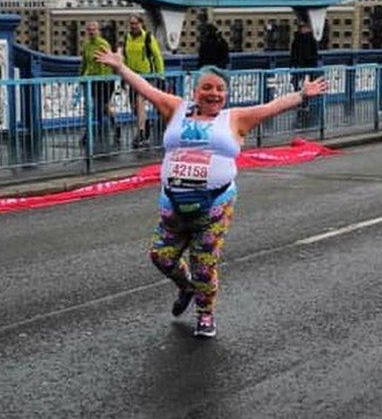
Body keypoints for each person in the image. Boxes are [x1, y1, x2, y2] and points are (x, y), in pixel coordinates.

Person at [95, 48, 328, 338]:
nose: (214, 94)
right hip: (173, 201)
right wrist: (120, 68)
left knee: (203, 262)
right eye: (207, 88)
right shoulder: (176, 108)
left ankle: (205, 315)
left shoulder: (235, 118)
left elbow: (272, 107)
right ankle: (186, 286)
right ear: (195, 91)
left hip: (215, 204)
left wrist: (302, 95)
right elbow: (146, 88)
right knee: (161, 256)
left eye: (220, 89)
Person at [122, 15, 164, 148]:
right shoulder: (127, 38)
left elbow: (157, 56)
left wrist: (160, 75)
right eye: (131, 24)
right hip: (132, 75)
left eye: (135, 23)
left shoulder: (148, 37)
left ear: (141, 23)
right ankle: (144, 124)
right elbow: (125, 57)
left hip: (147, 75)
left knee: (139, 102)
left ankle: (140, 132)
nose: (133, 26)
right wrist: (124, 76)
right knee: (134, 107)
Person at [79, 20, 117, 146]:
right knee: (91, 106)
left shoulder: (103, 44)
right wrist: (81, 76)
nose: (91, 32)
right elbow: (85, 62)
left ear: (98, 31)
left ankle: (114, 124)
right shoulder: (86, 45)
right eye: (89, 29)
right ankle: (88, 133)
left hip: (105, 80)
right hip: (91, 79)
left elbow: (108, 62)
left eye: (94, 29)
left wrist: (104, 77)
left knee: (103, 106)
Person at [289, 20, 322, 127]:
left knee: (301, 85)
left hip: (304, 67)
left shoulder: (302, 39)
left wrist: (294, 63)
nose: (302, 29)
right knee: (299, 85)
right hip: (303, 67)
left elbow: (295, 53)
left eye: (303, 27)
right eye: (301, 27)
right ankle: (301, 102)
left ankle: (302, 103)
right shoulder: (304, 39)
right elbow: (313, 54)